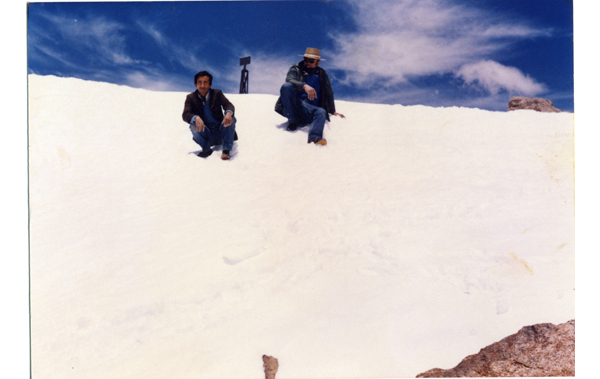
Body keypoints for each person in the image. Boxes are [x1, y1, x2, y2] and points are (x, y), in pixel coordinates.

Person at [275, 47, 345, 146]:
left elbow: (329, 93)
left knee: (321, 111)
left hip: (310, 110)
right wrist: (304, 86)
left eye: (311, 61)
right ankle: (293, 122)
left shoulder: (322, 74)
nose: (307, 63)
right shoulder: (296, 68)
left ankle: (314, 138)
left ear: (318, 62)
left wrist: (333, 111)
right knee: (286, 87)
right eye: (306, 60)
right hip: (296, 106)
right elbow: (289, 80)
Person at [182, 71, 237, 160]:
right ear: (195, 84)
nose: (202, 85)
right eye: (199, 82)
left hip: (221, 132)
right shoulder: (190, 98)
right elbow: (186, 114)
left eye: (205, 82)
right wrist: (195, 117)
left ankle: (226, 150)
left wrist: (228, 113)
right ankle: (206, 150)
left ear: (210, 85)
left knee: (231, 118)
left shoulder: (217, 93)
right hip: (207, 135)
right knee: (193, 125)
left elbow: (228, 105)